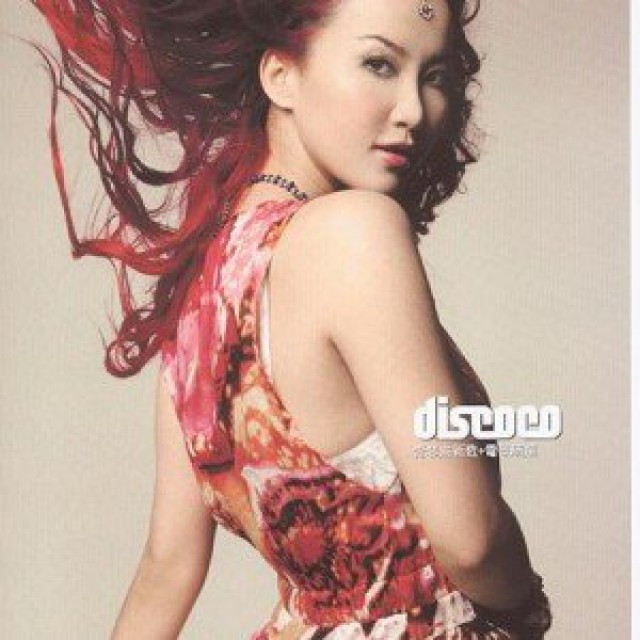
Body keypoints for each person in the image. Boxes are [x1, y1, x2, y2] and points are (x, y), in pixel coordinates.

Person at [32, 0, 552, 637]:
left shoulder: (202, 285)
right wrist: (524, 609)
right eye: (379, 63)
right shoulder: (355, 232)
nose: (414, 110)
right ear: (280, 75)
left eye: (435, 75)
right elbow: (470, 540)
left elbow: (165, 571)